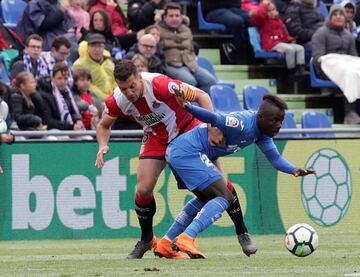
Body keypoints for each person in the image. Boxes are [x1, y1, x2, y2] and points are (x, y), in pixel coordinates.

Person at [95, 60, 257, 259]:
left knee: (220, 185)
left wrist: (212, 128)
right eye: (123, 88)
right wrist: (102, 145)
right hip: (156, 137)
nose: (129, 92)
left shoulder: (160, 84)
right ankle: (147, 239)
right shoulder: (117, 101)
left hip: (188, 130)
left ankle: (242, 232)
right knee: (143, 189)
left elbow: (202, 95)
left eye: (132, 86)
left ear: (139, 76)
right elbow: (103, 126)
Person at [154, 92, 315, 259]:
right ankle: (187, 238)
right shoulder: (242, 123)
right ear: (260, 117)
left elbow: (275, 159)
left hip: (181, 152)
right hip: (187, 151)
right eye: (274, 121)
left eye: (280, 121)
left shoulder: (262, 135)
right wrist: (189, 107)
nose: (278, 125)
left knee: (206, 198)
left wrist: (294, 169)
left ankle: (166, 244)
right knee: (225, 197)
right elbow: (213, 117)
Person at [312, 4, 360, 125]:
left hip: (346, 69)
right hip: (327, 70)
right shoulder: (321, 33)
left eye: (341, 14)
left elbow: (353, 58)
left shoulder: (349, 36)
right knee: (349, 73)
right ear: (330, 17)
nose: (338, 17)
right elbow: (318, 58)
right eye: (335, 14)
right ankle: (350, 113)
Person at [158, 3, 216, 93]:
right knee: (190, 81)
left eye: (177, 15)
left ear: (181, 17)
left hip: (190, 63)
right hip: (171, 64)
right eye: (171, 16)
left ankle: (200, 104)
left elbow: (191, 48)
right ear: (165, 17)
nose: (174, 18)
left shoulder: (187, 30)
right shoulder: (157, 30)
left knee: (210, 81)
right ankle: (188, 105)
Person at [251, 1, 307, 75]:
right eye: (269, 11)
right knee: (290, 49)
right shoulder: (262, 21)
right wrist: (264, 4)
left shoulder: (278, 20)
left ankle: (300, 68)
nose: (272, 12)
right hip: (270, 44)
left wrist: (290, 40)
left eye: (273, 10)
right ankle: (291, 70)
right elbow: (259, 15)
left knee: (300, 48)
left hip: (281, 43)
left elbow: (284, 34)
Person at [40, 62, 84, 130]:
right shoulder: (44, 95)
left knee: (87, 137)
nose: (63, 82)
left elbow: (73, 113)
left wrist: (78, 121)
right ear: (52, 78)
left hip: (70, 128)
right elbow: (47, 121)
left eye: (65, 78)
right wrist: (70, 126)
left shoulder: (68, 93)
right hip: (52, 130)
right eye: (59, 78)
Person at [73, 33, 116, 101]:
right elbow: (88, 87)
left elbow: (116, 81)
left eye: (100, 46)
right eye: (93, 46)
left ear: (103, 48)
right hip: (94, 101)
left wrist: (115, 95)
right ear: (88, 48)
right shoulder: (79, 65)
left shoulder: (109, 63)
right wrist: (107, 98)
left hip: (114, 99)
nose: (97, 49)